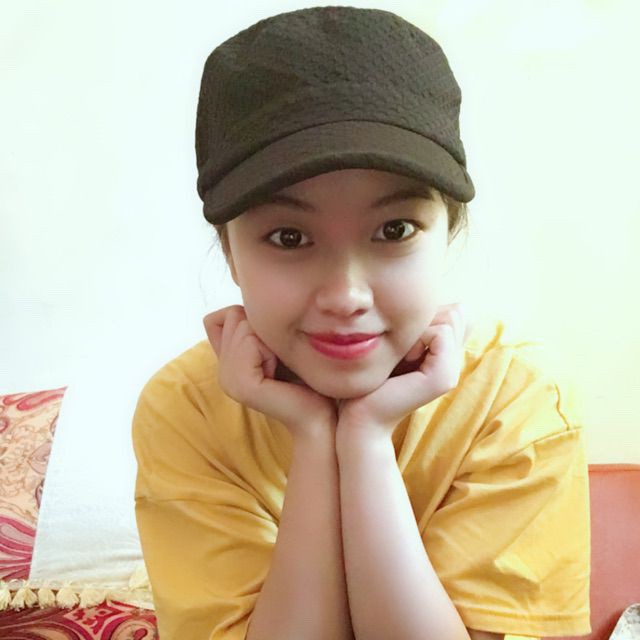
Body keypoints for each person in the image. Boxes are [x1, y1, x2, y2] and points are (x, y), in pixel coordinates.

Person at [131, 6, 591, 640]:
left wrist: (366, 441)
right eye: (289, 237)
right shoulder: (186, 410)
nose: (346, 296)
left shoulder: (515, 404)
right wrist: (314, 437)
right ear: (231, 254)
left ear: (447, 235)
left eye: (394, 230)